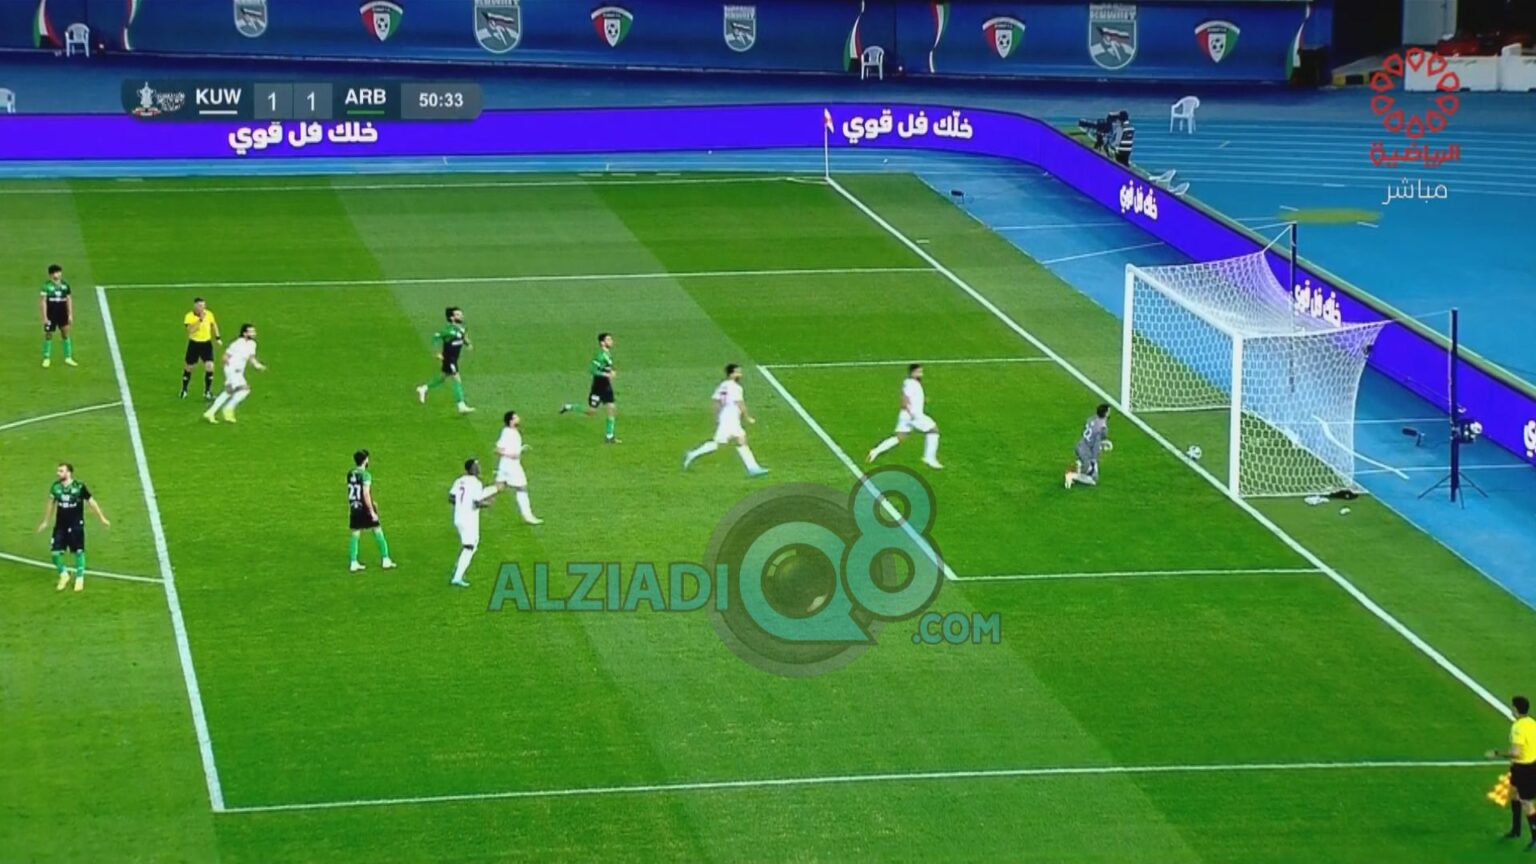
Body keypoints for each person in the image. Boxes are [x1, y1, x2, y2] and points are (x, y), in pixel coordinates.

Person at [682, 363, 768, 477]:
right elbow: (739, 403)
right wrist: (747, 417)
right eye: (738, 372)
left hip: (726, 416)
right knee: (719, 443)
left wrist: (717, 416)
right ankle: (692, 454)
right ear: (731, 374)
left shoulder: (723, 385)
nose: (740, 374)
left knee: (740, 440)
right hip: (731, 418)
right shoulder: (736, 387)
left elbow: (715, 401)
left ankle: (753, 468)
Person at [35, 463, 109, 592]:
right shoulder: (55, 487)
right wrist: (45, 521)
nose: (58, 473)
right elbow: (50, 504)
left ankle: (80, 578)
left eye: (61, 471)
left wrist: (102, 518)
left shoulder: (79, 487)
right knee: (55, 553)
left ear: (69, 473)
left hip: (75, 525)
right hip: (60, 525)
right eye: (58, 471)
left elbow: (91, 502)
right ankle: (64, 574)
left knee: (78, 551)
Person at [866, 363, 943, 469]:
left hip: (905, 415)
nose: (921, 374)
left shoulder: (911, 382)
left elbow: (912, 397)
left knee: (899, 437)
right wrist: (911, 412)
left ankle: (875, 451)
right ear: (912, 372)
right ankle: (929, 458)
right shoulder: (911, 383)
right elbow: (904, 398)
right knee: (933, 430)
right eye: (919, 372)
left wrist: (923, 400)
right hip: (913, 415)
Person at [1488, 695, 1536, 846]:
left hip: (1524, 768)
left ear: (1515, 709)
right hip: (1527, 765)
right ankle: (1516, 830)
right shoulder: (1532, 722)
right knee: (1514, 793)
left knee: (1527, 802)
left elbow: (1516, 752)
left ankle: (1535, 836)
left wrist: (1497, 754)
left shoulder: (1518, 727)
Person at [448, 458, 500, 588]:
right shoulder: (476, 483)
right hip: (469, 520)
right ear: (471, 469)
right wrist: (488, 504)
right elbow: (476, 503)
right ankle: (457, 577)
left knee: (472, 545)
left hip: (458, 517)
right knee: (469, 547)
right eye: (476, 466)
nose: (479, 468)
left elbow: (451, 497)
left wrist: (461, 504)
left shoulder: (459, 481)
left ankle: (459, 567)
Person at [560, 332, 619, 443]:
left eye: (611, 339)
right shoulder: (600, 355)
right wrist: (606, 375)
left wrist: (611, 371)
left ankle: (609, 436)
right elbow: (592, 370)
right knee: (591, 412)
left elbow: (606, 367)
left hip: (606, 387)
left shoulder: (607, 354)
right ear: (602, 343)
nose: (611, 341)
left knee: (611, 409)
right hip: (598, 388)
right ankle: (570, 407)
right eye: (608, 340)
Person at [416, 306, 474, 414]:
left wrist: (468, 344)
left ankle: (423, 388)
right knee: (457, 379)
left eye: (461, 314)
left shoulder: (463, 327)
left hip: (455, 358)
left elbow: (463, 337)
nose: (461, 316)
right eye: (458, 314)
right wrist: (437, 353)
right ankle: (461, 405)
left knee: (443, 377)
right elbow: (435, 338)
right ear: (452, 318)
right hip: (449, 358)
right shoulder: (447, 330)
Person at [204, 323, 265, 424]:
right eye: (251, 331)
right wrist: (229, 368)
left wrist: (258, 365)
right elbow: (225, 356)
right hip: (232, 370)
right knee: (244, 390)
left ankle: (212, 412)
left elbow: (251, 358)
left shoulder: (252, 344)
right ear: (245, 333)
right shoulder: (237, 343)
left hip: (238, 372)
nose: (254, 333)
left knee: (229, 391)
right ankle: (227, 409)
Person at [347, 449, 396, 573]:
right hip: (365, 507)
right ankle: (385, 559)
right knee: (377, 530)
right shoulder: (365, 475)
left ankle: (353, 562)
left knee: (355, 534)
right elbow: (365, 494)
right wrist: (372, 510)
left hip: (354, 506)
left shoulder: (350, 473)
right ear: (365, 460)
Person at [493, 410, 542, 525]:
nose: (518, 419)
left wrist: (521, 449)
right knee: (522, 488)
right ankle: (528, 516)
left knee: (499, 487)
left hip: (505, 464)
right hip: (511, 465)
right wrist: (511, 455)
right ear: (511, 421)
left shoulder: (511, 431)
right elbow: (497, 450)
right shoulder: (508, 433)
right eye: (516, 417)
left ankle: (476, 500)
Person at [180, 296, 222, 400]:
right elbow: (191, 330)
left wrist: (217, 337)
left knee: (210, 366)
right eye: (200, 306)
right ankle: (184, 390)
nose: (202, 308)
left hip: (206, 344)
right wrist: (200, 320)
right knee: (189, 368)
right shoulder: (189, 316)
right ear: (195, 306)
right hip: (194, 344)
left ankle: (207, 392)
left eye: (203, 306)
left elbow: (213, 324)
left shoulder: (209, 314)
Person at [1066, 403, 1113, 488]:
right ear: (1105, 413)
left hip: (1080, 445)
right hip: (1086, 452)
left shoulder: (1091, 419)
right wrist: (1094, 459)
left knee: (1089, 469)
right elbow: (1096, 444)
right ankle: (1072, 475)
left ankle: (1080, 465)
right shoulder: (1102, 428)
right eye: (1108, 411)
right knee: (1093, 480)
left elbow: (1088, 433)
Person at [40, 264, 77, 368]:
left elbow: (69, 300)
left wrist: (70, 314)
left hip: (62, 313)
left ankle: (68, 357)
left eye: (59, 272)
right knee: (49, 335)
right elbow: (43, 302)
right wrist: (44, 317)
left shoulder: (65, 286)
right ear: (51, 275)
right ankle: (46, 358)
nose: (57, 274)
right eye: (55, 273)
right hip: (51, 314)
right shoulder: (46, 286)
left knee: (65, 334)